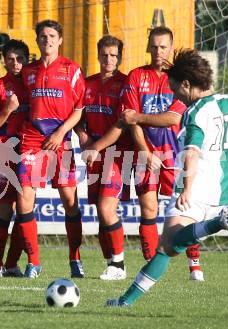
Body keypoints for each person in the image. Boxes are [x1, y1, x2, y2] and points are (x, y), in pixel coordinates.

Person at [106, 48, 228, 307]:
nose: (173, 94)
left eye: (175, 88)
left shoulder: (195, 113)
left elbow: (191, 152)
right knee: (168, 245)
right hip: (220, 194)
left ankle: (215, 225)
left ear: (187, 84)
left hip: (195, 188)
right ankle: (124, 302)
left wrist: (186, 188)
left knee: (168, 244)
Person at [85, 26, 204, 280]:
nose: (159, 51)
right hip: (145, 155)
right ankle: (150, 265)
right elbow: (130, 121)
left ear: (171, 48)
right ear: (148, 47)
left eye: (164, 46)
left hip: (176, 154)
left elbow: (171, 118)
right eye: (154, 46)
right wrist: (144, 151)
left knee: (186, 207)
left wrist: (139, 116)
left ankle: (194, 263)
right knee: (148, 207)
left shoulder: (181, 79)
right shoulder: (137, 76)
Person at [15, 19, 86, 278]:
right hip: (32, 139)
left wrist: (61, 132)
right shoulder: (28, 72)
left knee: (70, 201)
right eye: (43, 36)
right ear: (37, 40)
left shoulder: (71, 69)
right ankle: (33, 262)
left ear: (60, 40)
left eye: (52, 35)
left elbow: (79, 109)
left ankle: (75, 258)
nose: (48, 40)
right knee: (24, 200)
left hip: (61, 139)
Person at [75, 35, 130, 280]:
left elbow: (122, 123)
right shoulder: (86, 84)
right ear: (98, 55)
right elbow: (77, 117)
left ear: (119, 57)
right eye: (105, 54)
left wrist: (96, 145)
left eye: (114, 55)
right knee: (101, 212)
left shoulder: (126, 84)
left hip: (116, 155)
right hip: (93, 155)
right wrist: (83, 136)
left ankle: (119, 265)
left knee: (107, 207)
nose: (109, 59)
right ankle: (111, 263)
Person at [0, 39, 30, 277]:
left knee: (25, 211)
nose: (15, 63)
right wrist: (7, 110)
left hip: (29, 154)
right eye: (10, 59)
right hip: (2, 155)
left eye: (20, 58)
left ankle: (12, 264)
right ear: (4, 61)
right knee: (5, 211)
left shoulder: (34, 86)